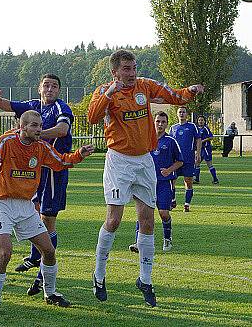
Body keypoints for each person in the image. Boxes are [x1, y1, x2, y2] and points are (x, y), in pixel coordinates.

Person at [87, 49, 204, 307]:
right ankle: (98, 274)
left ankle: (145, 280)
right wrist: (109, 93)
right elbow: (92, 116)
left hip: (144, 161)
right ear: (114, 71)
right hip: (119, 161)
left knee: (147, 221)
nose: (132, 73)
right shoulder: (105, 91)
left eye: (134, 67)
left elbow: (171, 95)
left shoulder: (144, 86)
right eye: (126, 69)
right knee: (114, 220)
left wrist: (190, 91)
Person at [0, 110, 94, 316]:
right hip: (2, 204)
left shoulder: (41, 147)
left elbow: (60, 162)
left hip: (26, 206)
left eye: (40, 125)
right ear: (22, 127)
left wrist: (79, 155)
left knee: (48, 251)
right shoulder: (5, 141)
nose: (38, 129)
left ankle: (50, 293)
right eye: (34, 125)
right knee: (5, 252)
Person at [0, 74, 74, 296]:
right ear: (39, 88)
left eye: (54, 86)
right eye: (46, 85)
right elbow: (9, 106)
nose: (50, 89)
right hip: (34, 169)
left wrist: (34, 133)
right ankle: (35, 258)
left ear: (59, 90)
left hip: (54, 169)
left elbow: (62, 131)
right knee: (33, 213)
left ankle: (41, 274)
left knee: (47, 218)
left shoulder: (61, 108)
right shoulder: (32, 105)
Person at [129, 112, 183, 253]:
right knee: (143, 213)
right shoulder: (145, 140)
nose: (160, 124)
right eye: (158, 121)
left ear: (166, 124)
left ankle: (167, 238)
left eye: (163, 122)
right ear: (154, 122)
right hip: (146, 183)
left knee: (164, 213)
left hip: (163, 183)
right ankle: (138, 242)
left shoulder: (170, 141)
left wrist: (169, 170)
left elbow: (180, 161)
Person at [169, 107, 201, 212]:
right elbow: (170, 143)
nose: (181, 114)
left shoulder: (192, 126)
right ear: (177, 114)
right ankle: (173, 201)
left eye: (183, 112)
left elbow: (198, 139)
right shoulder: (173, 128)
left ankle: (187, 204)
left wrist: (198, 153)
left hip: (188, 159)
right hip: (176, 160)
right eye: (180, 112)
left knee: (188, 181)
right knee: (172, 181)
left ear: (187, 114)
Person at [195, 115, 218, 184]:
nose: (200, 121)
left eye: (202, 120)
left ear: (204, 121)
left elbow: (211, 137)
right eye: (199, 120)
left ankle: (215, 179)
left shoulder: (206, 128)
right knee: (197, 163)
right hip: (200, 149)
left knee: (209, 164)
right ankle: (197, 179)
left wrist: (202, 141)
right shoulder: (197, 129)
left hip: (206, 149)